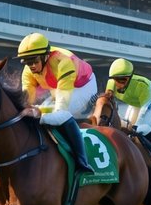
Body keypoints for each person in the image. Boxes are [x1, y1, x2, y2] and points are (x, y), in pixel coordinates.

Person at [17, 33, 97, 173]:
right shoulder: (28, 71)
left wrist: (39, 114)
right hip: (59, 85)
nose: (32, 66)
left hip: (84, 86)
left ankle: (82, 161)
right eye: (27, 62)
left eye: (34, 61)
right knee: (39, 110)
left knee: (59, 115)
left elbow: (61, 113)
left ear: (45, 55)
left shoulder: (63, 62)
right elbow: (26, 101)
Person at [105, 58, 151, 180]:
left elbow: (144, 111)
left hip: (149, 103)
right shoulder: (111, 84)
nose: (119, 84)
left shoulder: (141, 87)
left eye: (123, 80)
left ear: (130, 77)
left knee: (142, 129)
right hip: (135, 103)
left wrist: (135, 126)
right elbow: (105, 100)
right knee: (124, 129)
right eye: (116, 80)